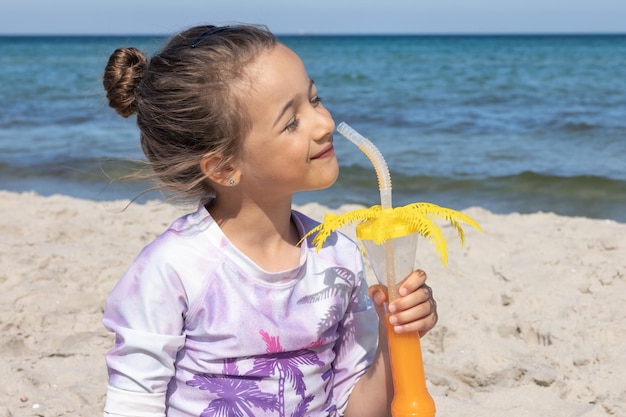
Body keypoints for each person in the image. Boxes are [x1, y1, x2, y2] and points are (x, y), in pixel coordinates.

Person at [101, 23, 438, 417]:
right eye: (291, 121)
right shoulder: (174, 269)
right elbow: (134, 404)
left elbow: (359, 411)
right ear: (224, 166)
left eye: (315, 99)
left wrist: (393, 332)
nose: (325, 123)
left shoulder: (338, 259)